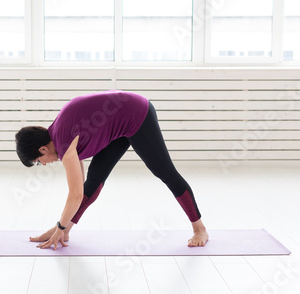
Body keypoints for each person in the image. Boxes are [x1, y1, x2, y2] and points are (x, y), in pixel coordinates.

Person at [15, 90, 209, 250]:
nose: (45, 164)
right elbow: (81, 190)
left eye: (39, 161)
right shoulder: (57, 133)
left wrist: (60, 225)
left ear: (42, 149)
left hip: (137, 114)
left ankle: (199, 229)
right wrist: (62, 228)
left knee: (164, 171)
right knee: (93, 182)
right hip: (119, 125)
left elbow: (75, 195)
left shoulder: (63, 143)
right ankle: (67, 231)